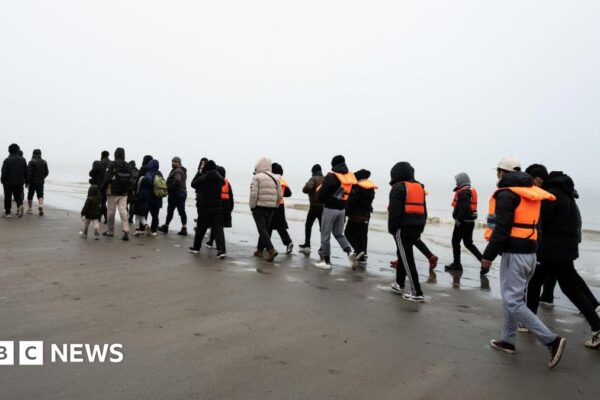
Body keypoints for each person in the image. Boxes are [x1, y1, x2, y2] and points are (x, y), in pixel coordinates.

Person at [481, 156, 566, 369]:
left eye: (498, 171)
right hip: (530, 253)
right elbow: (537, 227)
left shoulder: (507, 194)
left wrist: (488, 255)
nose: (497, 175)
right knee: (514, 297)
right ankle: (508, 340)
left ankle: (551, 340)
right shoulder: (532, 192)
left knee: (512, 301)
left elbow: (501, 230)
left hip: (514, 254)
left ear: (502, 172)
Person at [522, 164, 600, 348]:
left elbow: (540, 222)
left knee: (537, 282)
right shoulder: (565, 192)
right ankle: (596, 325)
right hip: (566, 248)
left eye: (531, 180)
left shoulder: (550, 194)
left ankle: (529, 322)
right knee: (568, 286)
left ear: (539, 179)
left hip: (553, 250)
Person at [387, 161, 428, 302]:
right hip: (417, 226)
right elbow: (424, 211)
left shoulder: (398, 188)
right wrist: (421, 228)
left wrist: (392, 229)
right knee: (402, 255)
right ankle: (399, 283)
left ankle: (417, 292)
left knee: (407, 259)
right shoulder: (419, 188)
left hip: (402, 228)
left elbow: (394, 212)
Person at [314, 155, 356, 270]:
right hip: (342, 210)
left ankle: (327, 262)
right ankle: (349, 252)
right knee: (339, 233)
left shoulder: (331, 176)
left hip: (330, 210)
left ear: (333, 164)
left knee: (325, 235)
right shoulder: (349, 178)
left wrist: (321, 194)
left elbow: (321, 196)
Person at [188, 160, 226, 258]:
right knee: (218, 229)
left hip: (205, 206)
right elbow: (222, 183)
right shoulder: (220, 178)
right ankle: (221, 250)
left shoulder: (203, 177)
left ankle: (196, 248)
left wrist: (199, 172)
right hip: (217, 206)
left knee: (201, 228)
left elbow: (193, 184)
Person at [446, 172, 483, 271]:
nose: (456, 183)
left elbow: (464, 209)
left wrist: (458, 220)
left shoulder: (463, 192)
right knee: (468, 243)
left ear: (461, 181)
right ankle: (483, 261)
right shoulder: (469, 190)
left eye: (457, 181)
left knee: (455, 242)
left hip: (462, 222)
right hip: (469, 222)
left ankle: (457, 264)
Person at [249, 157, 282, 262]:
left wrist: (252, 206)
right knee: (265, 230)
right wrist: (275, 205)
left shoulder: (257, 177)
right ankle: (259, 250)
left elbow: (254, 194)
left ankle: (271, 250)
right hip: (271, 208)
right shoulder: (276, 178)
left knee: (262, 229)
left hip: (259, 207)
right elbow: (280, 195)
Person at [345, 169, 376, 268]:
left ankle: (359, 251)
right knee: (362, 235)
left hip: (355, 215)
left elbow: (351, 203)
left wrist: (346, 214)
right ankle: (363, 256)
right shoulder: (371, 189)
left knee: (348, 233)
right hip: (366, 215)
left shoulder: (356, 189)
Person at [101, 147, 132, 241]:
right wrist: (130, 192)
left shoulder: (112, 164)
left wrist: (102, 189)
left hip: (113, 192)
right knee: (123, 211)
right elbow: (131, 180)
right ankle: (126, 230)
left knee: (111, 212)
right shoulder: (128, 165)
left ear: (115, 154)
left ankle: (110, 231)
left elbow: (107, 178)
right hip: (124, 193)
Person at [158, 157, 188, 236]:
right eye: (172, 161)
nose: (173, 163)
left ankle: (166, 226)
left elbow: (177, 180)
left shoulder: (178, 171)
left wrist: (170, 187)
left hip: (176, 193)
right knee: (182, 211)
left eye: (175, 162)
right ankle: (184, 228)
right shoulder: (182, 170)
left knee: (170, 211)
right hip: (182, 192)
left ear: (179, 163)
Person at [268, 162, 294, 254]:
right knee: (280, 226)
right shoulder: (282, 180)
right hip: (280, 205)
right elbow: (289, 193)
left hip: (271, 204)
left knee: (268, 226)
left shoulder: (271, 179)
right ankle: (288, 242)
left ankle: (266, 245)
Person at [299, 164, 324, 254]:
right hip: (323, 207)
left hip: (314, 206)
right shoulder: (325, 179)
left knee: (308, 225)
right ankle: (323, 247)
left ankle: (307, 244)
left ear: (313, 171)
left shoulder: (313, 178)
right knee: (323, 228)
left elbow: (307, 188)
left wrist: (307, 189)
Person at [207, 166, 234, 249]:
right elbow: (231, 195)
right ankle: (211, 242)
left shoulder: (215, 182)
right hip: (226, 205)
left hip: (218, 204)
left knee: (216, 225)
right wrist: (231, 207)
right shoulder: (227, 182)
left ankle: (218, 246)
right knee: (218, 225)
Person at [1, 143, 28, 218]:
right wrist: (26, 181)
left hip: (8, 182)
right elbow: (26, 171)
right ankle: (20, 206)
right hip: (19, 181)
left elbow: (4, 171)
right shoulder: (23, 160)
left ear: (9, 151)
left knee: (8, 197)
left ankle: (8, 213)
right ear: (17, 150)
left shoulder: (7, 160)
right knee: (18, 196)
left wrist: (2, 180)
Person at [132, 156, 154, 236]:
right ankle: (146, 226)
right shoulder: (152, 170)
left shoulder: (143, 169)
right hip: (148, 195)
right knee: (143, 215)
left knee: (137, 216)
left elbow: (138, 181)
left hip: (140, 195)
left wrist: (134, 191)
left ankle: (137, 230)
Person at [144, 159, 166, 236]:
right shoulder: (160, 173)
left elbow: (147, 180)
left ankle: (142, 229)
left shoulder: (149, 173)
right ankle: (154, 231)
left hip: (150, 197)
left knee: (145, 214)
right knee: (155, 215)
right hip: (158, 197)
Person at [89, 150, 111, 223]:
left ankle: (106, 218)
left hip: (98, 186)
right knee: (103, 202)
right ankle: (100, 218)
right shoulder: (111, 163)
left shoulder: (98, 163)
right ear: (108, 156)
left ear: (101, 155)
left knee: (101, 202)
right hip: (108, 186)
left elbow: (91, 174)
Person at [26, 149, 49, 216]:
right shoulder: (44, 162)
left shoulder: (31, 162)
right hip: (40, 182)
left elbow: (28, 173)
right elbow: (47, 172)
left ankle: (30, 209)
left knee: (30, 195)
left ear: (33, 154)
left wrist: (27, 182)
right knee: (40, 195)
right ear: (40, 154)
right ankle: (41, 205)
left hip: (32, 182)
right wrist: (42, 177)